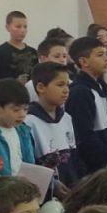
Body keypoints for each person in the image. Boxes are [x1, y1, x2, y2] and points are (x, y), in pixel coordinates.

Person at [66, 36, 107, 173]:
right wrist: (106, 160)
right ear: (84, 62)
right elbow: (84, 136)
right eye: (100, 55)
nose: (106, 59)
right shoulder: (80, 92)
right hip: (97, 168)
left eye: (106, 54)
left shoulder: (102, 88)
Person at [25, 61, 79, 195]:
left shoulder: (66, 118)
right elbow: (30, 164)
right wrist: (51, 184)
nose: (66, 90)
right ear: (41, 87)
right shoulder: (28, 122)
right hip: (44, 192)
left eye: (67, 85)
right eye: (60, 85)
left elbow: (73, 156)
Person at [0, 11, 39, 82]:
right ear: (7, 27)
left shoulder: (33, 52)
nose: (22, 30)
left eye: (25, 27)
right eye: (18, 26)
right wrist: (14, 81)